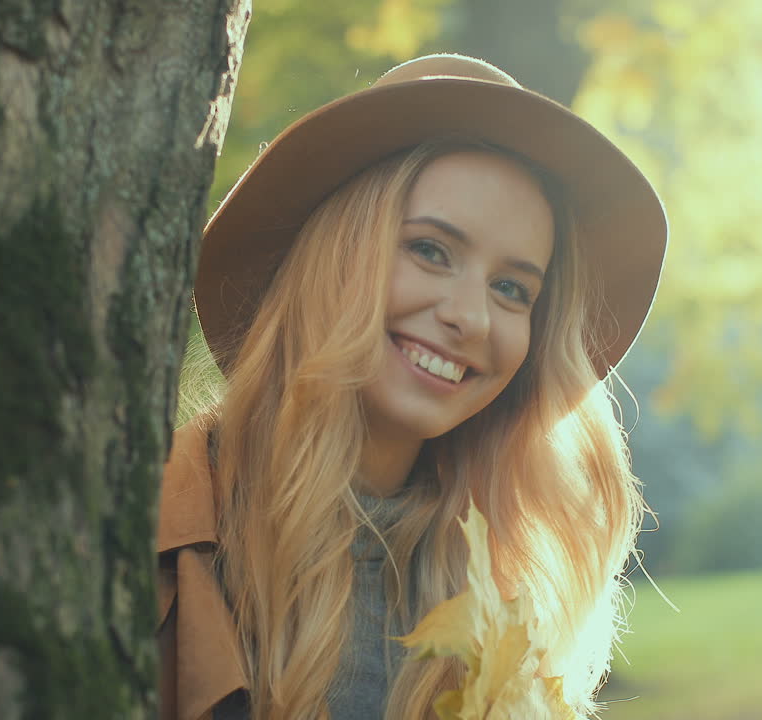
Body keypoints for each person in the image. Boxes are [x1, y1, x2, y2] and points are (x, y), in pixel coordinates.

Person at [156, 54, 667, 720]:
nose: (470, 317)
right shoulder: (161, 526)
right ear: (333, 254)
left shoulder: (498, 590)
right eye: (430, 250)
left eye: (512, 289)